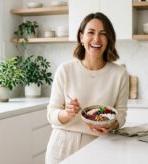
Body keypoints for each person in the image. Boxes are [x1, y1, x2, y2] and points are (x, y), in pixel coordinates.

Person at [45, 12, 129, 164]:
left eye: (103, 34)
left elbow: (121, 113)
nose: (96, 39)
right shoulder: (65, 70)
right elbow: (51, 113)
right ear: (81, 37)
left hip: (100, 145)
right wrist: (66, 113)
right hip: (63, 144)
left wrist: (112, 124)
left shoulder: (120, 73)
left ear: (109, 39)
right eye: (91, 32)